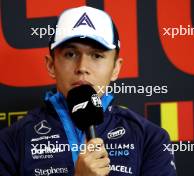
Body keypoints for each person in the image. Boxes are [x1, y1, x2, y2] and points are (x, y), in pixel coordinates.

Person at [0, 6, 177, 176]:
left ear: (115, 68)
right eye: (70, 54)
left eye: (97, 55)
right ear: (51, 65)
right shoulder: (11, 141)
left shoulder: (150, 139)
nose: (82, 67)